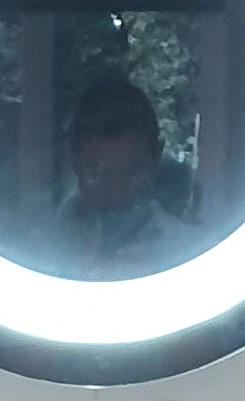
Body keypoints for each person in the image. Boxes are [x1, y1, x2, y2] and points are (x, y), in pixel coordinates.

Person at [41, 72, 203, 275]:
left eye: (134, 172)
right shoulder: (34, 258)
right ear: (73, 159)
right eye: (97, 173)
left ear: (156, 158)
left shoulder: (192, 258)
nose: (116, 192)